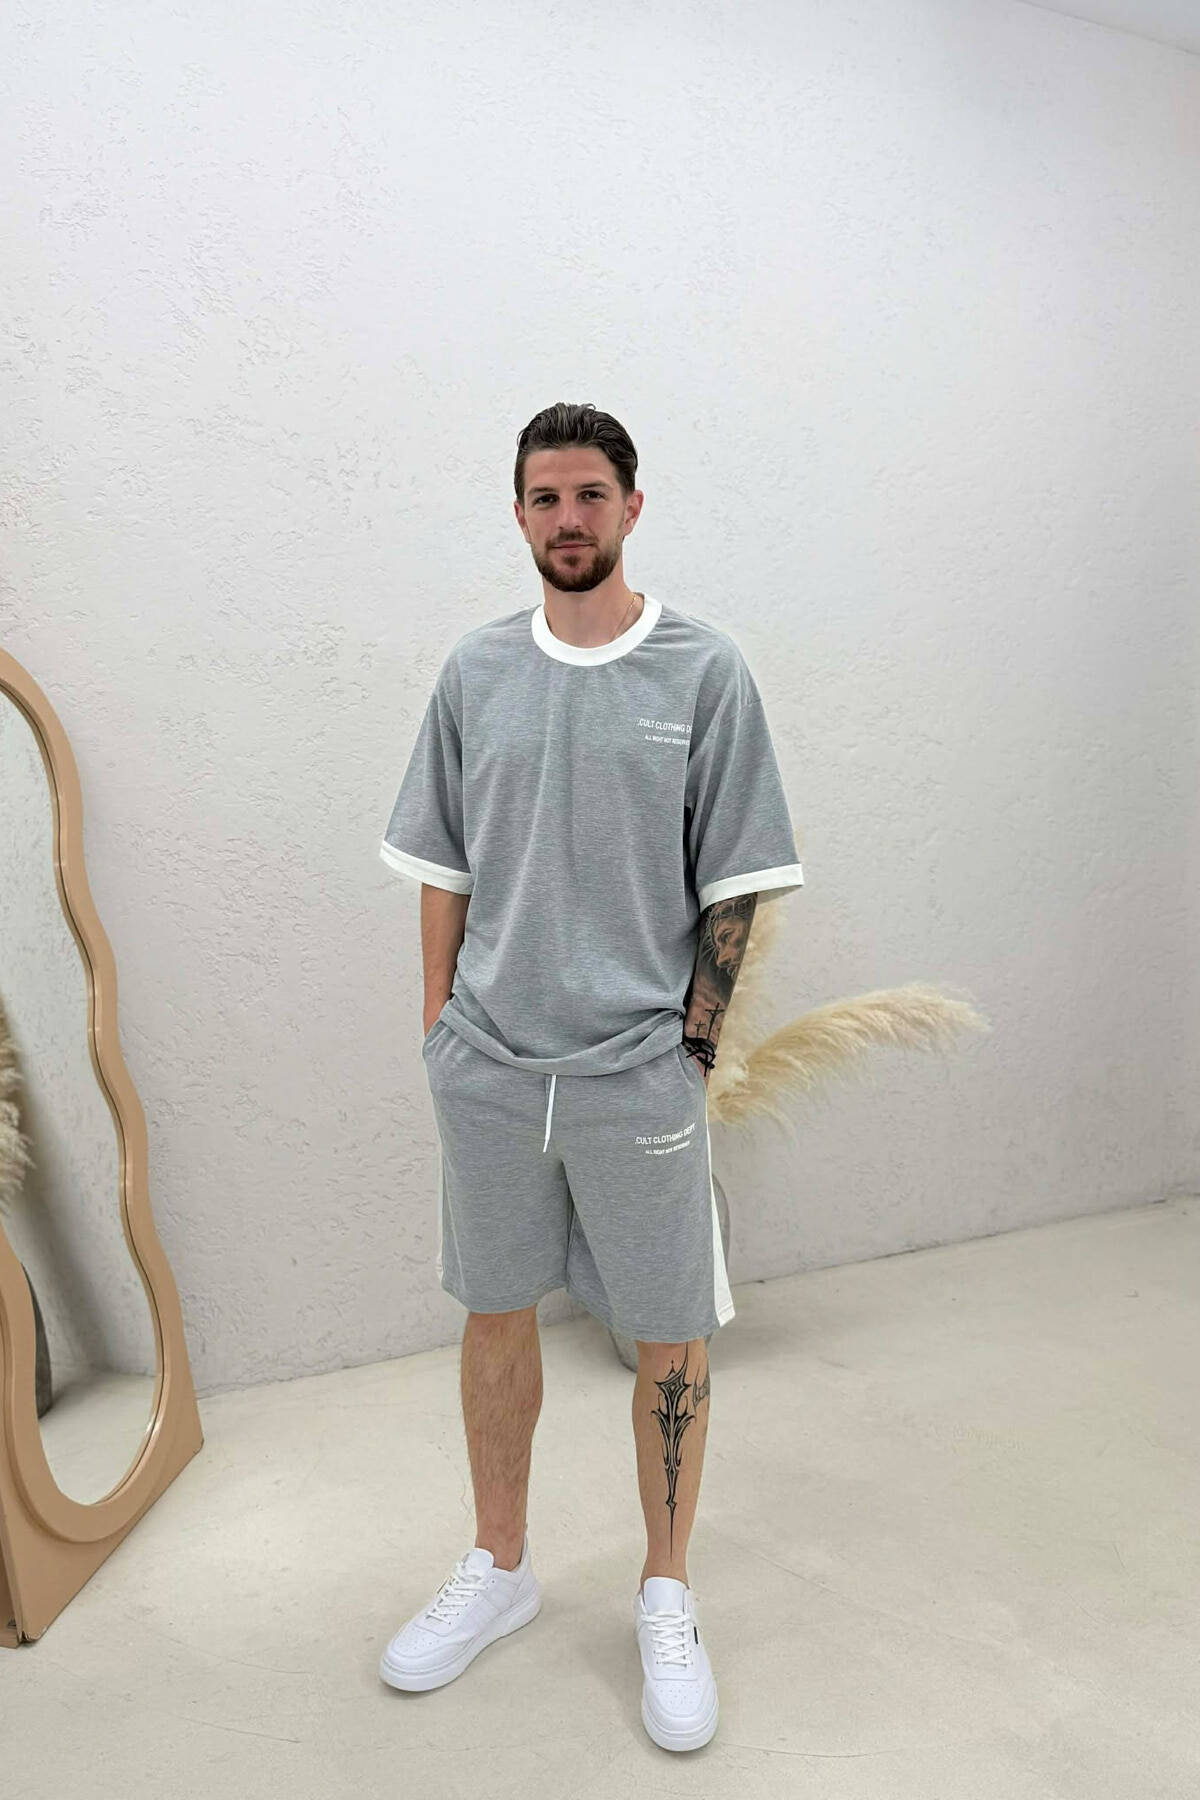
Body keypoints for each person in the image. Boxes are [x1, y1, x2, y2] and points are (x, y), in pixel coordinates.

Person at [375, 402, 803, 1752]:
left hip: (638, 1076)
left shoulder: (704, 671)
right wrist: (441, 1032)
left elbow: (736, 881)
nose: (569, 518)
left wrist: (691, 1054)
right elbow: (440, 865)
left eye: (591, 495)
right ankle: (499, 1566)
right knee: (494, 1314)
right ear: (519, 514)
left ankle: (665, 1591)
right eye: (546, 497)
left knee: (668, 1336)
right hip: (492, 1068)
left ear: (631, 507)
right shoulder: (475, 672)